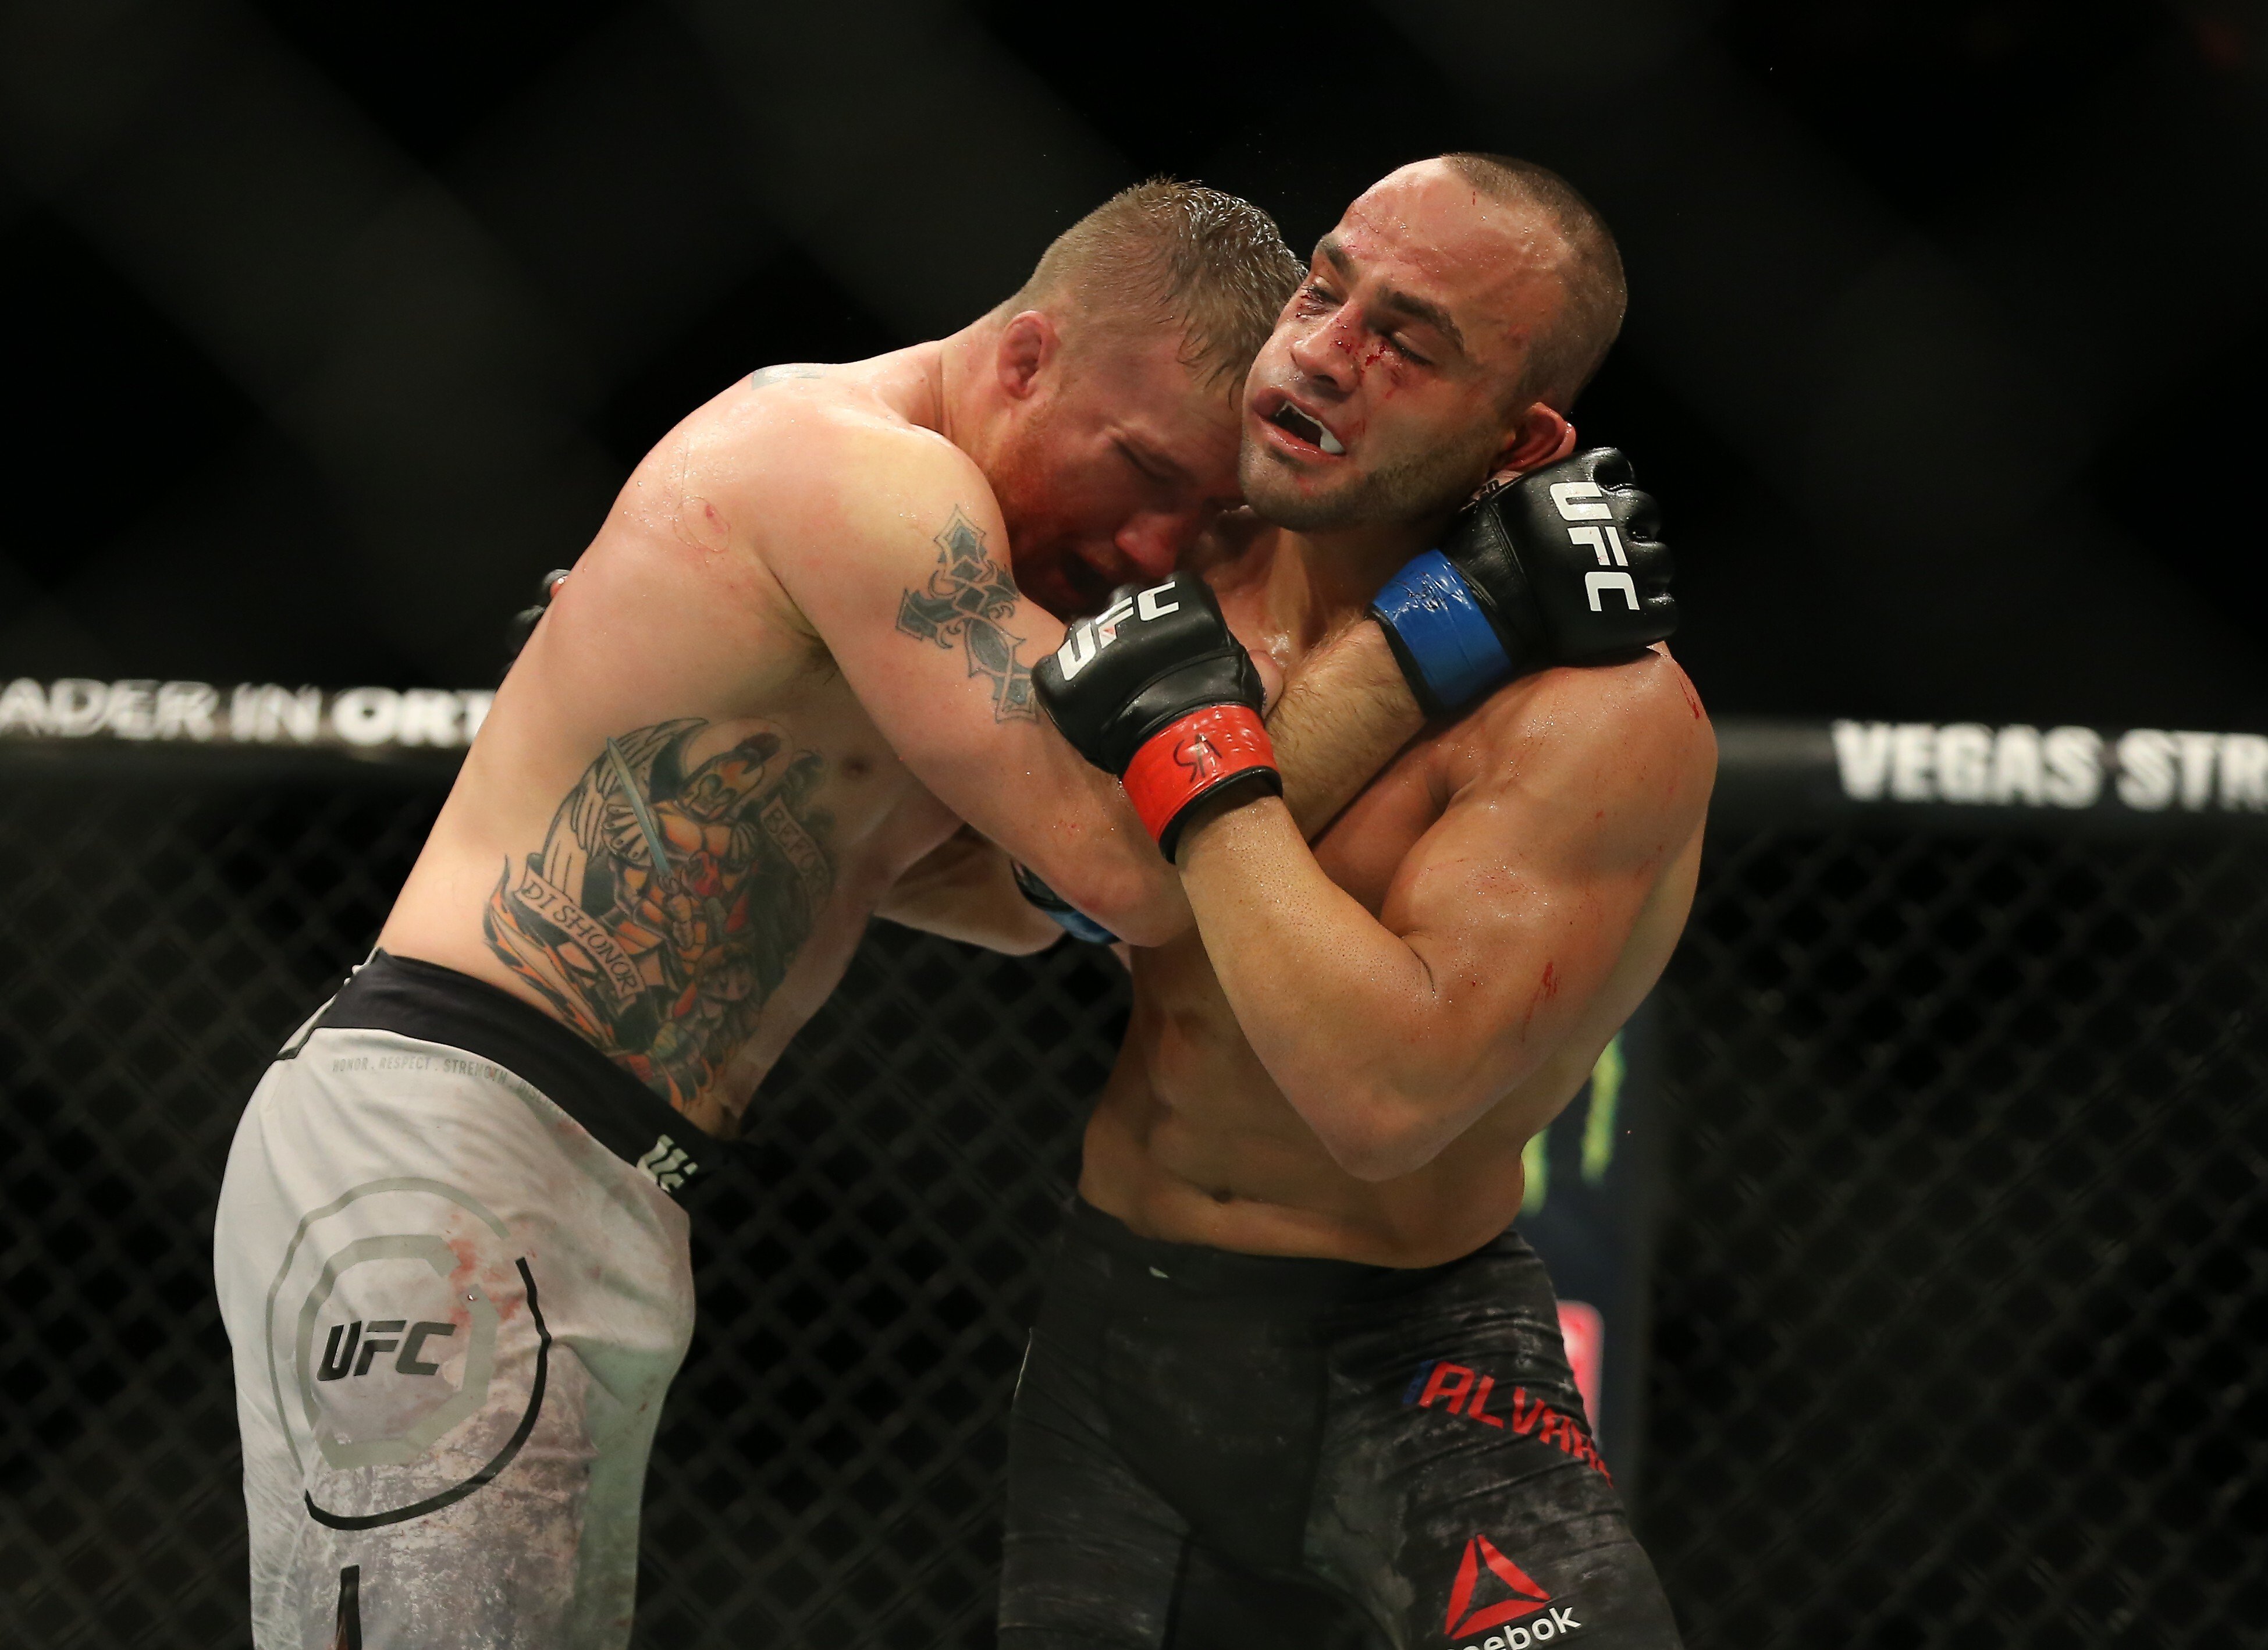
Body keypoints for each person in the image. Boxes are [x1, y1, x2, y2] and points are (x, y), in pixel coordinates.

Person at [209, 172, 1661, 1648]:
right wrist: (1447, 620)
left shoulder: (968, 569)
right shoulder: (865, 478)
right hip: (462, 1140)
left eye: (1197, 506)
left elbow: (1036, 899)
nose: (1160, 548)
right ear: (1026, 358)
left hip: (592, 1165)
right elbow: (1126, 862)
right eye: (1142, 467)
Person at [1001, 155, 1716, 1647]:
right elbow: (1012, 875)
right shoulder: (1169, 535)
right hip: (1117, 1328)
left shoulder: (1594, 719)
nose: (1324, 350)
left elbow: (1384, 1095)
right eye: (1321, 287)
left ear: (1520, 439)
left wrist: (1195, 754)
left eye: (1407, 338)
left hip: (1414, 1354)